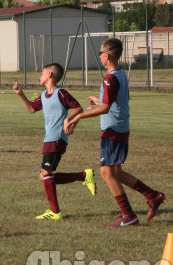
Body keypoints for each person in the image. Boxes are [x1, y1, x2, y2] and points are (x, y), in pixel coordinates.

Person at [64, 38, 165, 227]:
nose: (99, 55)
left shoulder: (110, 77)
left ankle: (128, 215)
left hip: (112, 130)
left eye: (101, 52)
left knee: (106, 172)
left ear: (108, 54)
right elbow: (113, 101)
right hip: (120, 127)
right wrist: (99, 99)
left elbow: (105, 109)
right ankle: (153, 196)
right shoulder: (119, 74)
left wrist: (78, 117)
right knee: (116, 172)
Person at [13, 63, 95, 220]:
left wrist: (69, 121)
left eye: (42, 73)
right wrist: (20, 93)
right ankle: (83, 176)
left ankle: (55, 212)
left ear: (49, 75)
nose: (40, 76)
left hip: (57, 138)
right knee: (44, 176)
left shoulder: (61, 93)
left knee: (46, 174)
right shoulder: (44, 95)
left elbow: (78, 108)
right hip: (49, 139)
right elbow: (31, 109)